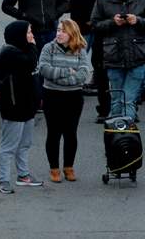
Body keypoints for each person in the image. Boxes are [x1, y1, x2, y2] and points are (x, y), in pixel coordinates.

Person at [82, 0, 142, 122]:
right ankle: (104, 108)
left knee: (132, 68)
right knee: (101, 69)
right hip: (106, 27)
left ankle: (131, 108)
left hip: (129, 28)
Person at [90, 0, 145, 122]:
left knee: (128, 99)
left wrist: (138, 21)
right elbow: (94, 24)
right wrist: (112, 23)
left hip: (137, 57)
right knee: (117, 99)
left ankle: (126, 133)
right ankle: (118, 137)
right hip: (113, 57)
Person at [36, 18, 90, 183]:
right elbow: (44, 70)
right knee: (54, 133)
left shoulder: (80, 50)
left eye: (63, 31)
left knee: (70, 133)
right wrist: (68, 73)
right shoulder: (48, 48)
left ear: (72, 34)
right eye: (58, 30)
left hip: (73, 96)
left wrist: (61, 76)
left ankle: (68, 167)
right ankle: (54, 168)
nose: (59, 33)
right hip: (52, 95)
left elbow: (83, 74)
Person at [0, 20, 42, 194]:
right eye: (29, 32)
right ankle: (3, 180)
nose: (32, 36)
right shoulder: (10, 53)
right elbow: (29, 63)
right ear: (19, 35)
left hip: (28, 107)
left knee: (25, 144)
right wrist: (32, 46)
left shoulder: (22, 50)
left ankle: (23, 175)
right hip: (14, 108)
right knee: (8, 147)